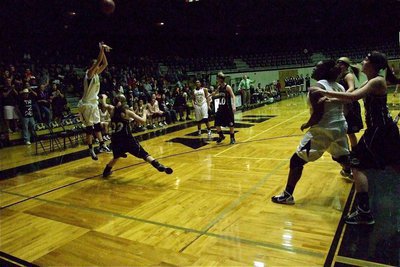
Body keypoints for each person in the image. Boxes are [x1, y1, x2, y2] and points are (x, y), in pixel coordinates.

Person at [314, 51, 400, 225]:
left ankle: (364, 212)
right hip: (385, 129)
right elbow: (351, 97)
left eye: (366, 59)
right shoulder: (371, 81)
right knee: (395, 164)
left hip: (379, 130)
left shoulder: (377, 81)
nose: (362, 61)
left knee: (356, 164)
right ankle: (363, 212)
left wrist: (325, 94)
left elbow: (353, 96)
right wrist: (330, 100)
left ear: (374, 65)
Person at [271, 60, 351, 205]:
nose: (314, 69)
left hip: (323, 129)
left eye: (317, 67)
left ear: (323, 71)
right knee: (341, 155)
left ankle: (287, 195)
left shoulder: (317, 87)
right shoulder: (339, 86)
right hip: (340, 125)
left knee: (296, 160)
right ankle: (350, 171)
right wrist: (339, 118)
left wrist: (306, 124)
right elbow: (347, 106)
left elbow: (318, 114)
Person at [100, 94, 173, 178]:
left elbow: (104, 104)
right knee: (144, 155)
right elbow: (142, 121)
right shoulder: (127, 112)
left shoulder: (111, 109)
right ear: (124, 102)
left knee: (116, 157)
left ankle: (106, 171)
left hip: (116, 139)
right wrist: (145, 113)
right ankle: (158, 165)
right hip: (127, 138)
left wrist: (104, 97)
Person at [77, 42, 111, 160]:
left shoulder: (96, 74)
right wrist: (101, 49)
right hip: (86, 105)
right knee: (89, 129)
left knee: (97, 126)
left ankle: (102, 145)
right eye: (96, 65)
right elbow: (98, 61)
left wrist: (104, 51)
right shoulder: (89, 74)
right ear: (92, 66)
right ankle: (91, 149)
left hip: (93, 104)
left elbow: (105, 63)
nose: (98, 66)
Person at [336, 57, 363, 156]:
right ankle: (347, 153)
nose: (338, 65)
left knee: (350, 133)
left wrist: (343, 96)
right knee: (343, 132)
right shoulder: (339, 76)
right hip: (343, 105)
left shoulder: (348, 75)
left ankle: (355, 153)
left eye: (341, 63)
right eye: (338, 63)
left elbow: (351, 88)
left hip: (350, 106)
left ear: (346, 65)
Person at [214, 72, 236, 144]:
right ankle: (221, 136)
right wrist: (209, 95)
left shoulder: (227, 87)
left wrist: (233, 105)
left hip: (228, 108)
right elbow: (214, 93)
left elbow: (233, 96)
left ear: (220, 79)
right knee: (217, 123)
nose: (217, 80)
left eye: (217, 78)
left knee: (231, 124)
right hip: (221, 108)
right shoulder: (219, 87)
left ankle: (232, 138)